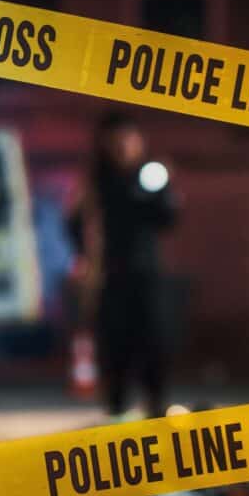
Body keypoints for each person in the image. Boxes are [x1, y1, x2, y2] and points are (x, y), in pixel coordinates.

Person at [67, 112, 179, 418]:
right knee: (113, 344)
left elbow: (167, 219)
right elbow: (75, 224)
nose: (122, 147)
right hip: (108, 276)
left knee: (154, 340)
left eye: (127, 139)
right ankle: (116, 407)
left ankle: (156, 406)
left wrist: (159, 191)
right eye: (115, 141)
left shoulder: (150, 177)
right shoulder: (95, 184)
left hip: (146, 274)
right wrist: (85, 258)